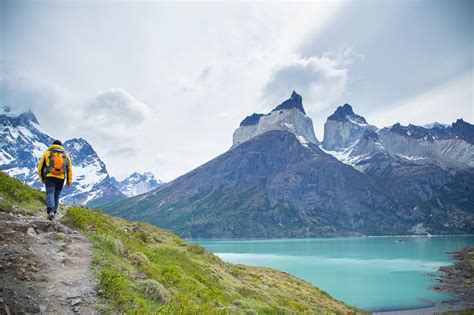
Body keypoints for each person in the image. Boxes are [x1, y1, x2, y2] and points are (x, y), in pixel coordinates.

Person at [37, 140, 73, 220]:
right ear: (61, 146)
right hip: (61, 178)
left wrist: (42, 177)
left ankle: (50, 211)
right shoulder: (65, 155)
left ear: (52, 145)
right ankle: (54, 212)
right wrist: (69, 181)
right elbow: (69, 169)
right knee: (56, 195)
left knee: (50, 193)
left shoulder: (47, 153)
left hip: (50, 177)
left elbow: (40, 167)